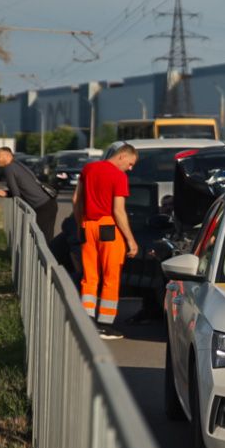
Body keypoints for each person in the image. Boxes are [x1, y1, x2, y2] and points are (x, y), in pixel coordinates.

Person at [73, 143, 139, 339]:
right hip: (108, 227)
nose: (130, 168)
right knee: (111, 277)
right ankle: (105, 325)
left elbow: (76, 200)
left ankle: (87, 321)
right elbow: (118, 211)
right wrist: (131, 241)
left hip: (87, 225)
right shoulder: (119, 176)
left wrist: (80, 226)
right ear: (122, 157)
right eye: (130, 163)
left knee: (89, 276)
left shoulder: (88, 169)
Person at [0, 147, 58, 239]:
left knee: (40, 240)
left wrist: (6, 194)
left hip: (42, 207)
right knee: (46, 239)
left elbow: (16, 194)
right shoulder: (17, 164)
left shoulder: (9, 168)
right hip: (49, 203)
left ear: (7, 155)